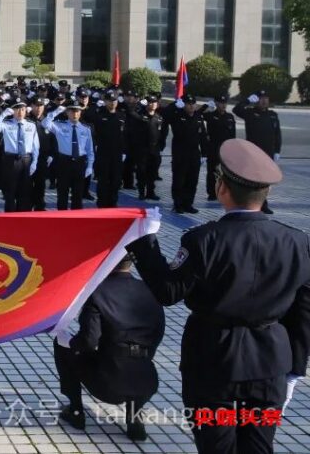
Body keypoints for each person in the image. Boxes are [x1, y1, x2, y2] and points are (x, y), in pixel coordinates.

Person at [126, 139, 310, 454]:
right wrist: (295, 368)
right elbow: (304, 312)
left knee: (215, 447)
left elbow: (167, 291)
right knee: (258, 446)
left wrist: (144, 242)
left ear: (221, 187)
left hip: (213, 361)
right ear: (266, 193)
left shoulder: (203, 240)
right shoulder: (297, 242)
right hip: (270, 362)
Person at [54, 255, 166, 441]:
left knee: (63, 345)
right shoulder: (150, 291)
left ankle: (75, 411)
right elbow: (157, 333)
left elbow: (89, 341)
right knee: (132, 360)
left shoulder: (97, 293)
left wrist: (71, 342)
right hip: (147, 380)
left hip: (107, 382)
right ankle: (135, 417)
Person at [233, 90, 282, 214]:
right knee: (251, 180)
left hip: (267, 153)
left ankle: (263, 204)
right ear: (256, 100)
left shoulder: (272, 115)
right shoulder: (249, 112)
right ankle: (249, 203)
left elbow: (277, 134)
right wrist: (247, 101)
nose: (264, 101)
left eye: (266, 98)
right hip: (252, 153)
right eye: (261, 98)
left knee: (265, 181)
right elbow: (236, 109)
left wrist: (277, 151)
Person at [42, 98, 94, 211]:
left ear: (80, 113)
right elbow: (45, 123)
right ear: (67, 112)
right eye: (71, 111)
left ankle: (76, 218)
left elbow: (90, 150)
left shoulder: (86, 129)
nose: (74, 114)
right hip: (64, 162)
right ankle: (61, 218)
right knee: (62, 192)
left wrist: (90, 166)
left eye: (77, 111)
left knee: (78, 193)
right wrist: (55, 112)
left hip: (80, 162)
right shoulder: (60, 125)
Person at [161, 94, 209, 214]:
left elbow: (203, 136)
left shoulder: (198, 117)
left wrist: (204, 153)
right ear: (184, 105)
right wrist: (174, 105)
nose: (191, 106)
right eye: (188, 103)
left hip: (194, 153)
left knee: (192, 180)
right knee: (179, 180)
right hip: (180, 153)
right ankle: (178, 204)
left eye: (193, 103)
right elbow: (165, 114)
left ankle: (188, 204)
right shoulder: (177, 116)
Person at [0, 97, 39, 212]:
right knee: (10, 190)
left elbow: (35, 146)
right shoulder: (6, 124)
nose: (20, 112)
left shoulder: (31, 125)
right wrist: (3, 114)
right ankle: (10, 215)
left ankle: (23, 215)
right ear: (12, 111)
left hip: (26, 159)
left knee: (25, 190)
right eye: (16, 109)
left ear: (26, 111)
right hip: (11, 160)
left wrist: (35, 162)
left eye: (22, 109)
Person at [92, 90, 127, 208]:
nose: (112, 103)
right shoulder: (99, 114)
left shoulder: (121, 115)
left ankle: (113, 202)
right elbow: (93, 130)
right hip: (103, 152)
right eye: (110, 101)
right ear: (105, 101)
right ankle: (101, 203)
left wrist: (124, 151)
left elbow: (126, 135)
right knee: (103, 179)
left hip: (117, 153)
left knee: (116, 180)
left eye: (114, 100)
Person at [202, 93, 236, 202]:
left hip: (226, 149)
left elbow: (233, 135)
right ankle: (212, 193)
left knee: (226, 173)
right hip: (213, 149)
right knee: (212, 172)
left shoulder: (229, 117)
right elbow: (197, 114)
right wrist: (206, 106)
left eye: (225, 103)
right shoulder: (210, 116)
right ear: (216, 103)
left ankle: (224, 192)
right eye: (221, 103)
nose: (223, 105)